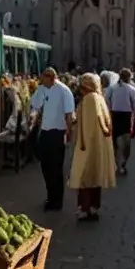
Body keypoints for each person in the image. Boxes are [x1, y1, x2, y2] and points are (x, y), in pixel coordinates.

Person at [68, 73, 116, 221]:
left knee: (84, 176)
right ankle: (94, 207)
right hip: (99, 145)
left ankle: (84, 207)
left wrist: (82, 144)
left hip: (87, 145)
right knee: (95, 175)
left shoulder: (89, 99)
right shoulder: (100, 98)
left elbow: (88, 125)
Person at [32, 68, 76, 212]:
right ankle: (50, 195)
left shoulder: (64, 91)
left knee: (56, 167)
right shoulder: (42, 89)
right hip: (45, 132)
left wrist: (69, 134)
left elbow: (70, 115)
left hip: (58, 133)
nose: (41, 80)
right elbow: (36, 106)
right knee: (45, 166)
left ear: (51, 78)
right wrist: (32, 118)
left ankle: (57, 201)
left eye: (43, 78)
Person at [108, 69, 135, 175]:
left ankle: (119, 163)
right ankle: (120, 164)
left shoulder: (127, 89)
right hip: (123, 115)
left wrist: (110, 108)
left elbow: (106, 99)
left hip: (117, 115)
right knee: (124, 142)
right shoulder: (119, 88)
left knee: (117, 142)